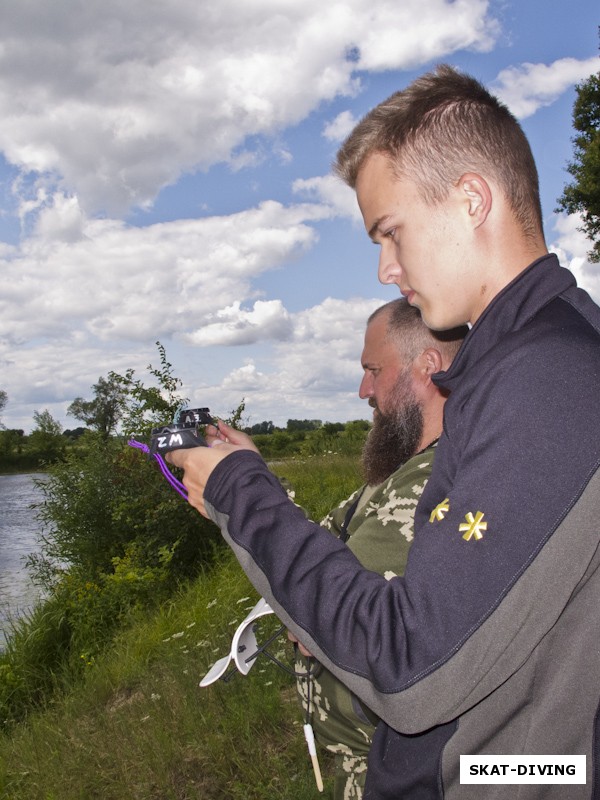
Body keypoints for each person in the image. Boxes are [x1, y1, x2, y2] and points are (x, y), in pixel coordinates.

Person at [168, 64, 600, 798]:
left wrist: (240, 493)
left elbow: (412, 664)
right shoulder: (521, 367)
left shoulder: (549, 382)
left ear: (471, 200)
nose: (383, 268)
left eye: (391, 232)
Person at [289, 298, 466, 799]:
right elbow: (308, 558)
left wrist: (239, 485)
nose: (363, 390)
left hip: (415, 777)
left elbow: (322, 608)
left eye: (373, 371)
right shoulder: (393, 477)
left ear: (427, 366)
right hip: (373, 770)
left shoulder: (439, 481)